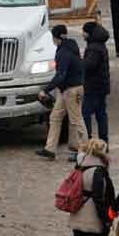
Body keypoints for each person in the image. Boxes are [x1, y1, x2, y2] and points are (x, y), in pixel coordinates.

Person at [65, 137, 113, 236]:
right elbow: (100, 198)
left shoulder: (80, 166)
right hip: (92, 214)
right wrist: (106, 218)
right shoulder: (98, 171)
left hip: (78, 211)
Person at [36, 25, 86, 160]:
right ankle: (50, 149)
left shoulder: (64, 52)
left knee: (76, 120)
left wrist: (45, 90)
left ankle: (83, 150)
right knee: (55, 117)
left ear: (56, 37)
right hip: (69, 89)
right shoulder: (71, 48)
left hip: (70, 90)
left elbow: (60, 75)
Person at [81, 22, 111, 140]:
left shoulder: (93, 48)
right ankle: (104, 142)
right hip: (101, 86)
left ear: (88, 33)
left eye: (83, 31)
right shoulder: (99, 45)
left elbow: (89, 66)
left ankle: (87, 142)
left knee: (85, 114)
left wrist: (79, 62)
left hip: (93, 87)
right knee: (101, 114)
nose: (82, 33)